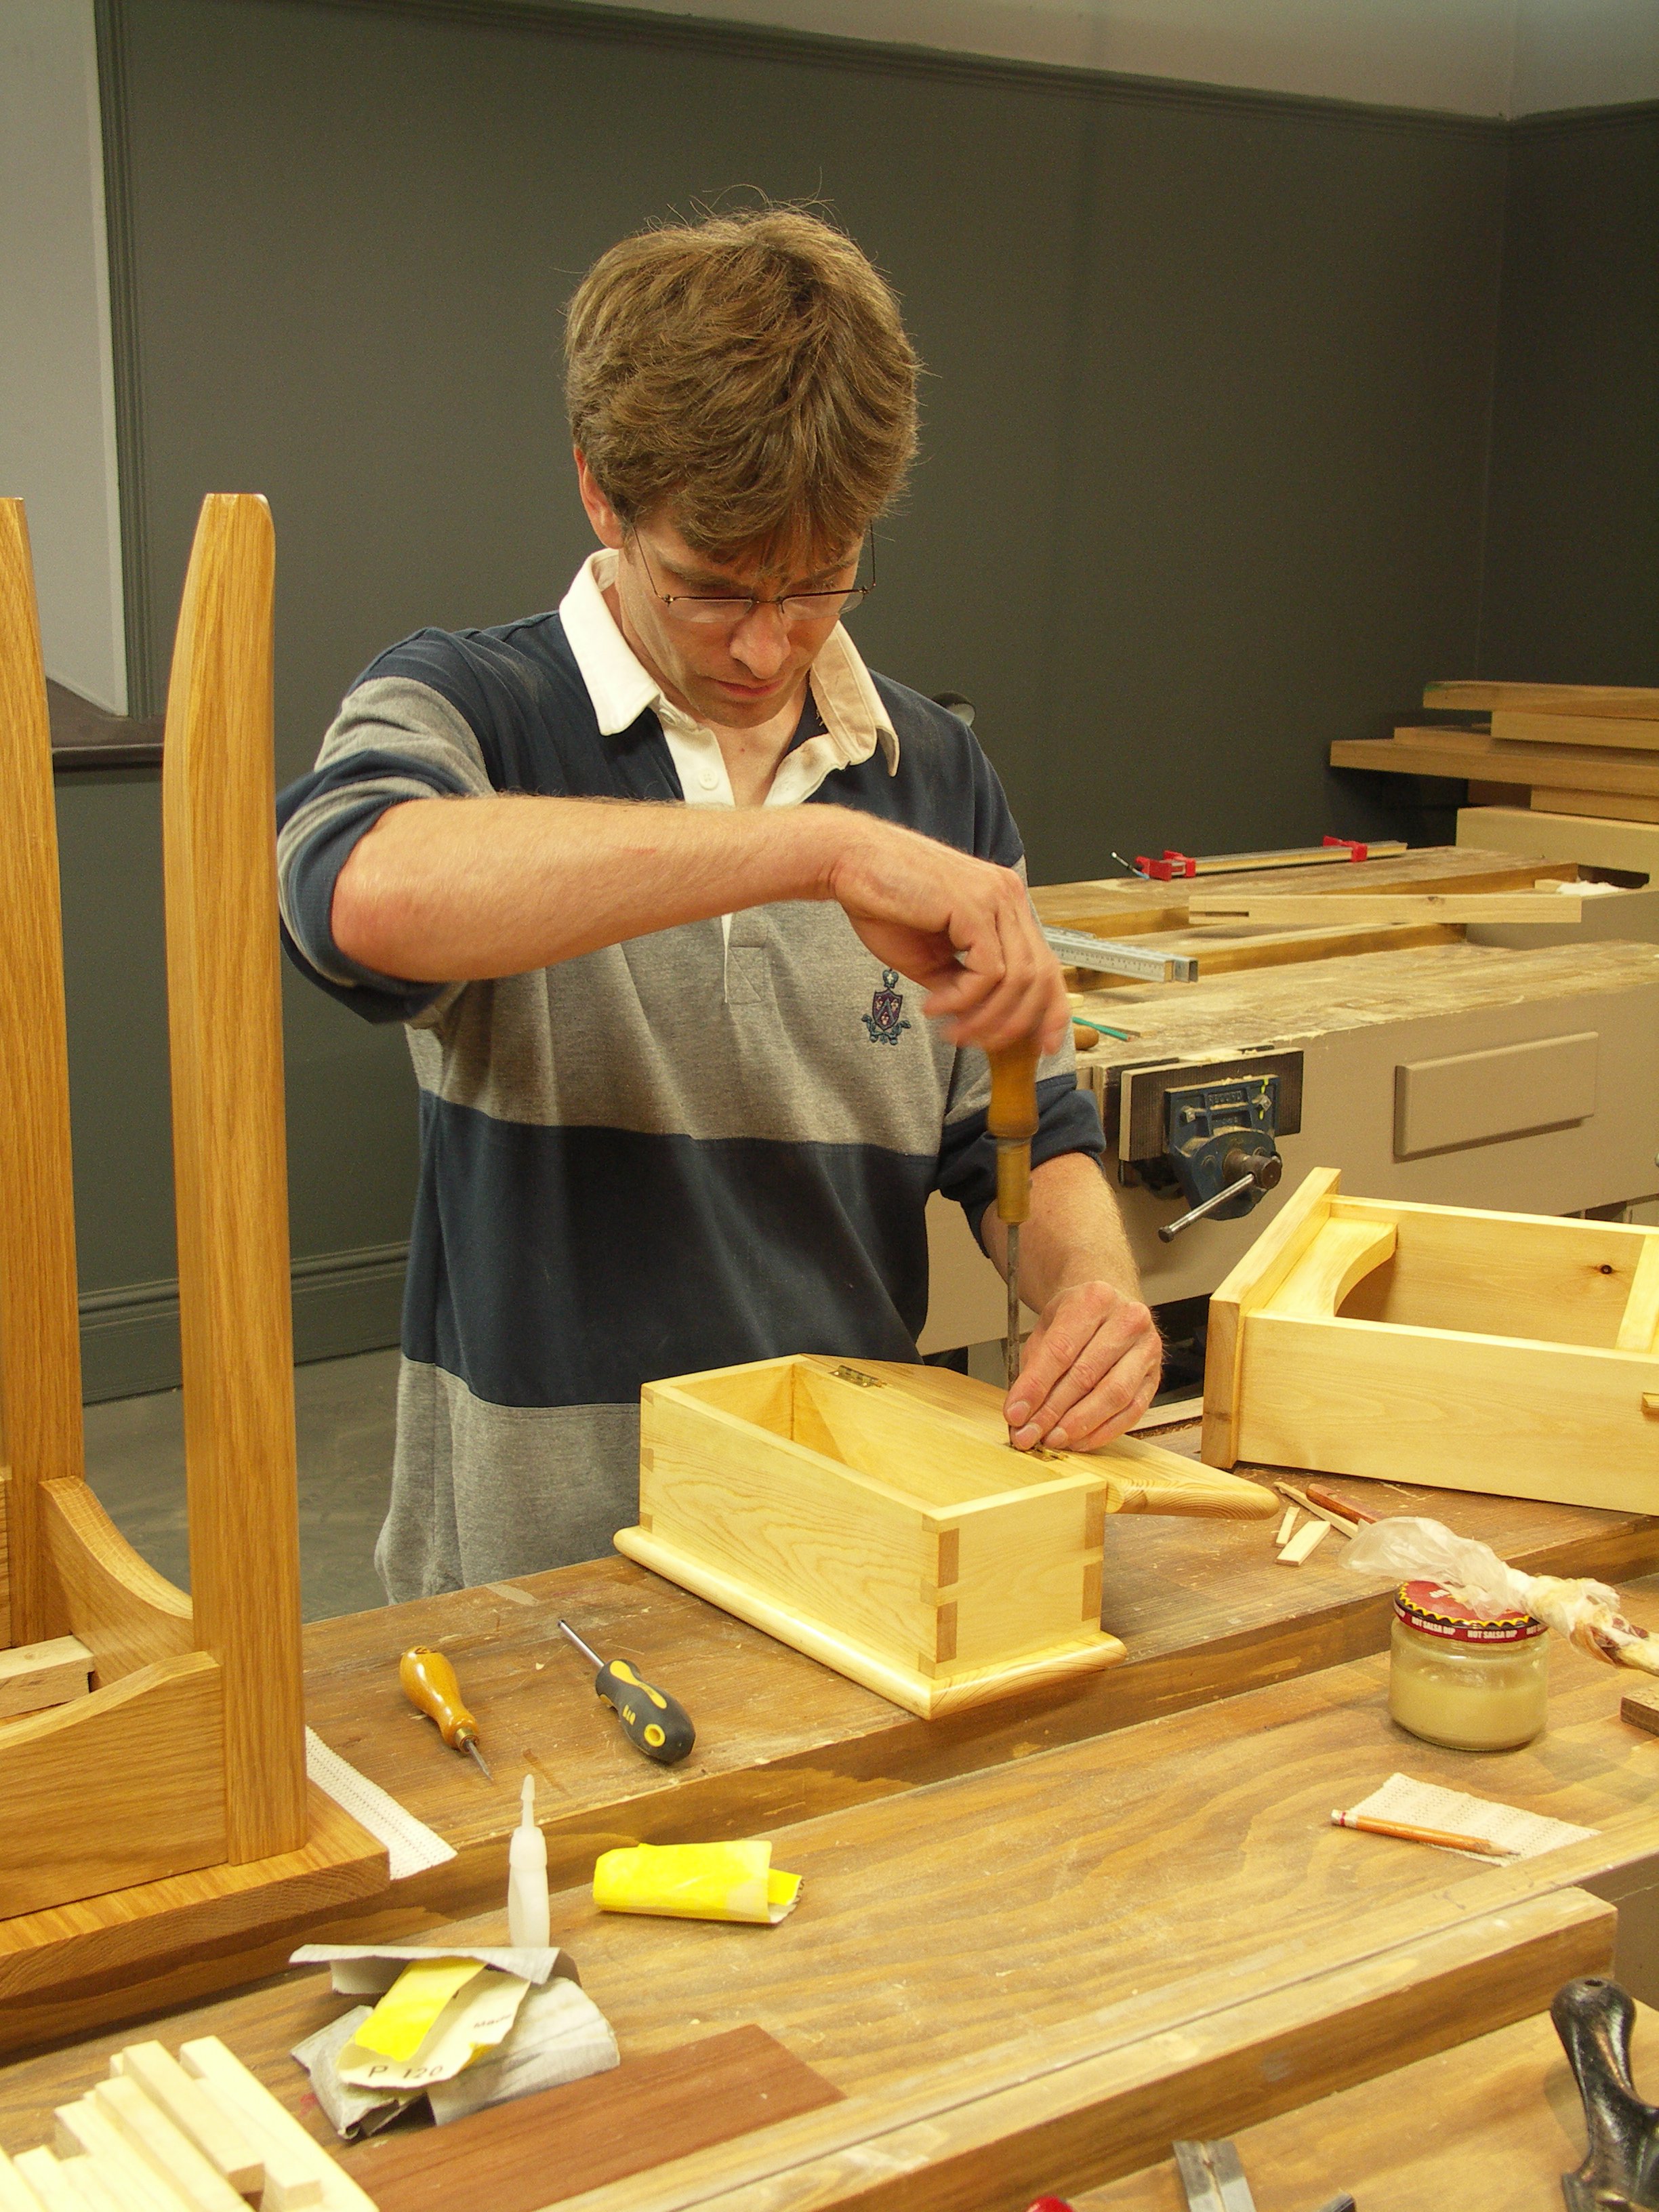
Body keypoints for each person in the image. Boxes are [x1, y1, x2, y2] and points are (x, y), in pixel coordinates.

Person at [276, 207, 1161, 1602]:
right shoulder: (468, 706)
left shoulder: (932, 770)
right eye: (711, 590)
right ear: (601, 497)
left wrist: (1090, 1286)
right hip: (541, 1586)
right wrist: (810, 855)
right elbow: (361, 897)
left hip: (844, 1543)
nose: (765, 645)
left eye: (817, 585)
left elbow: (1019, 1130)